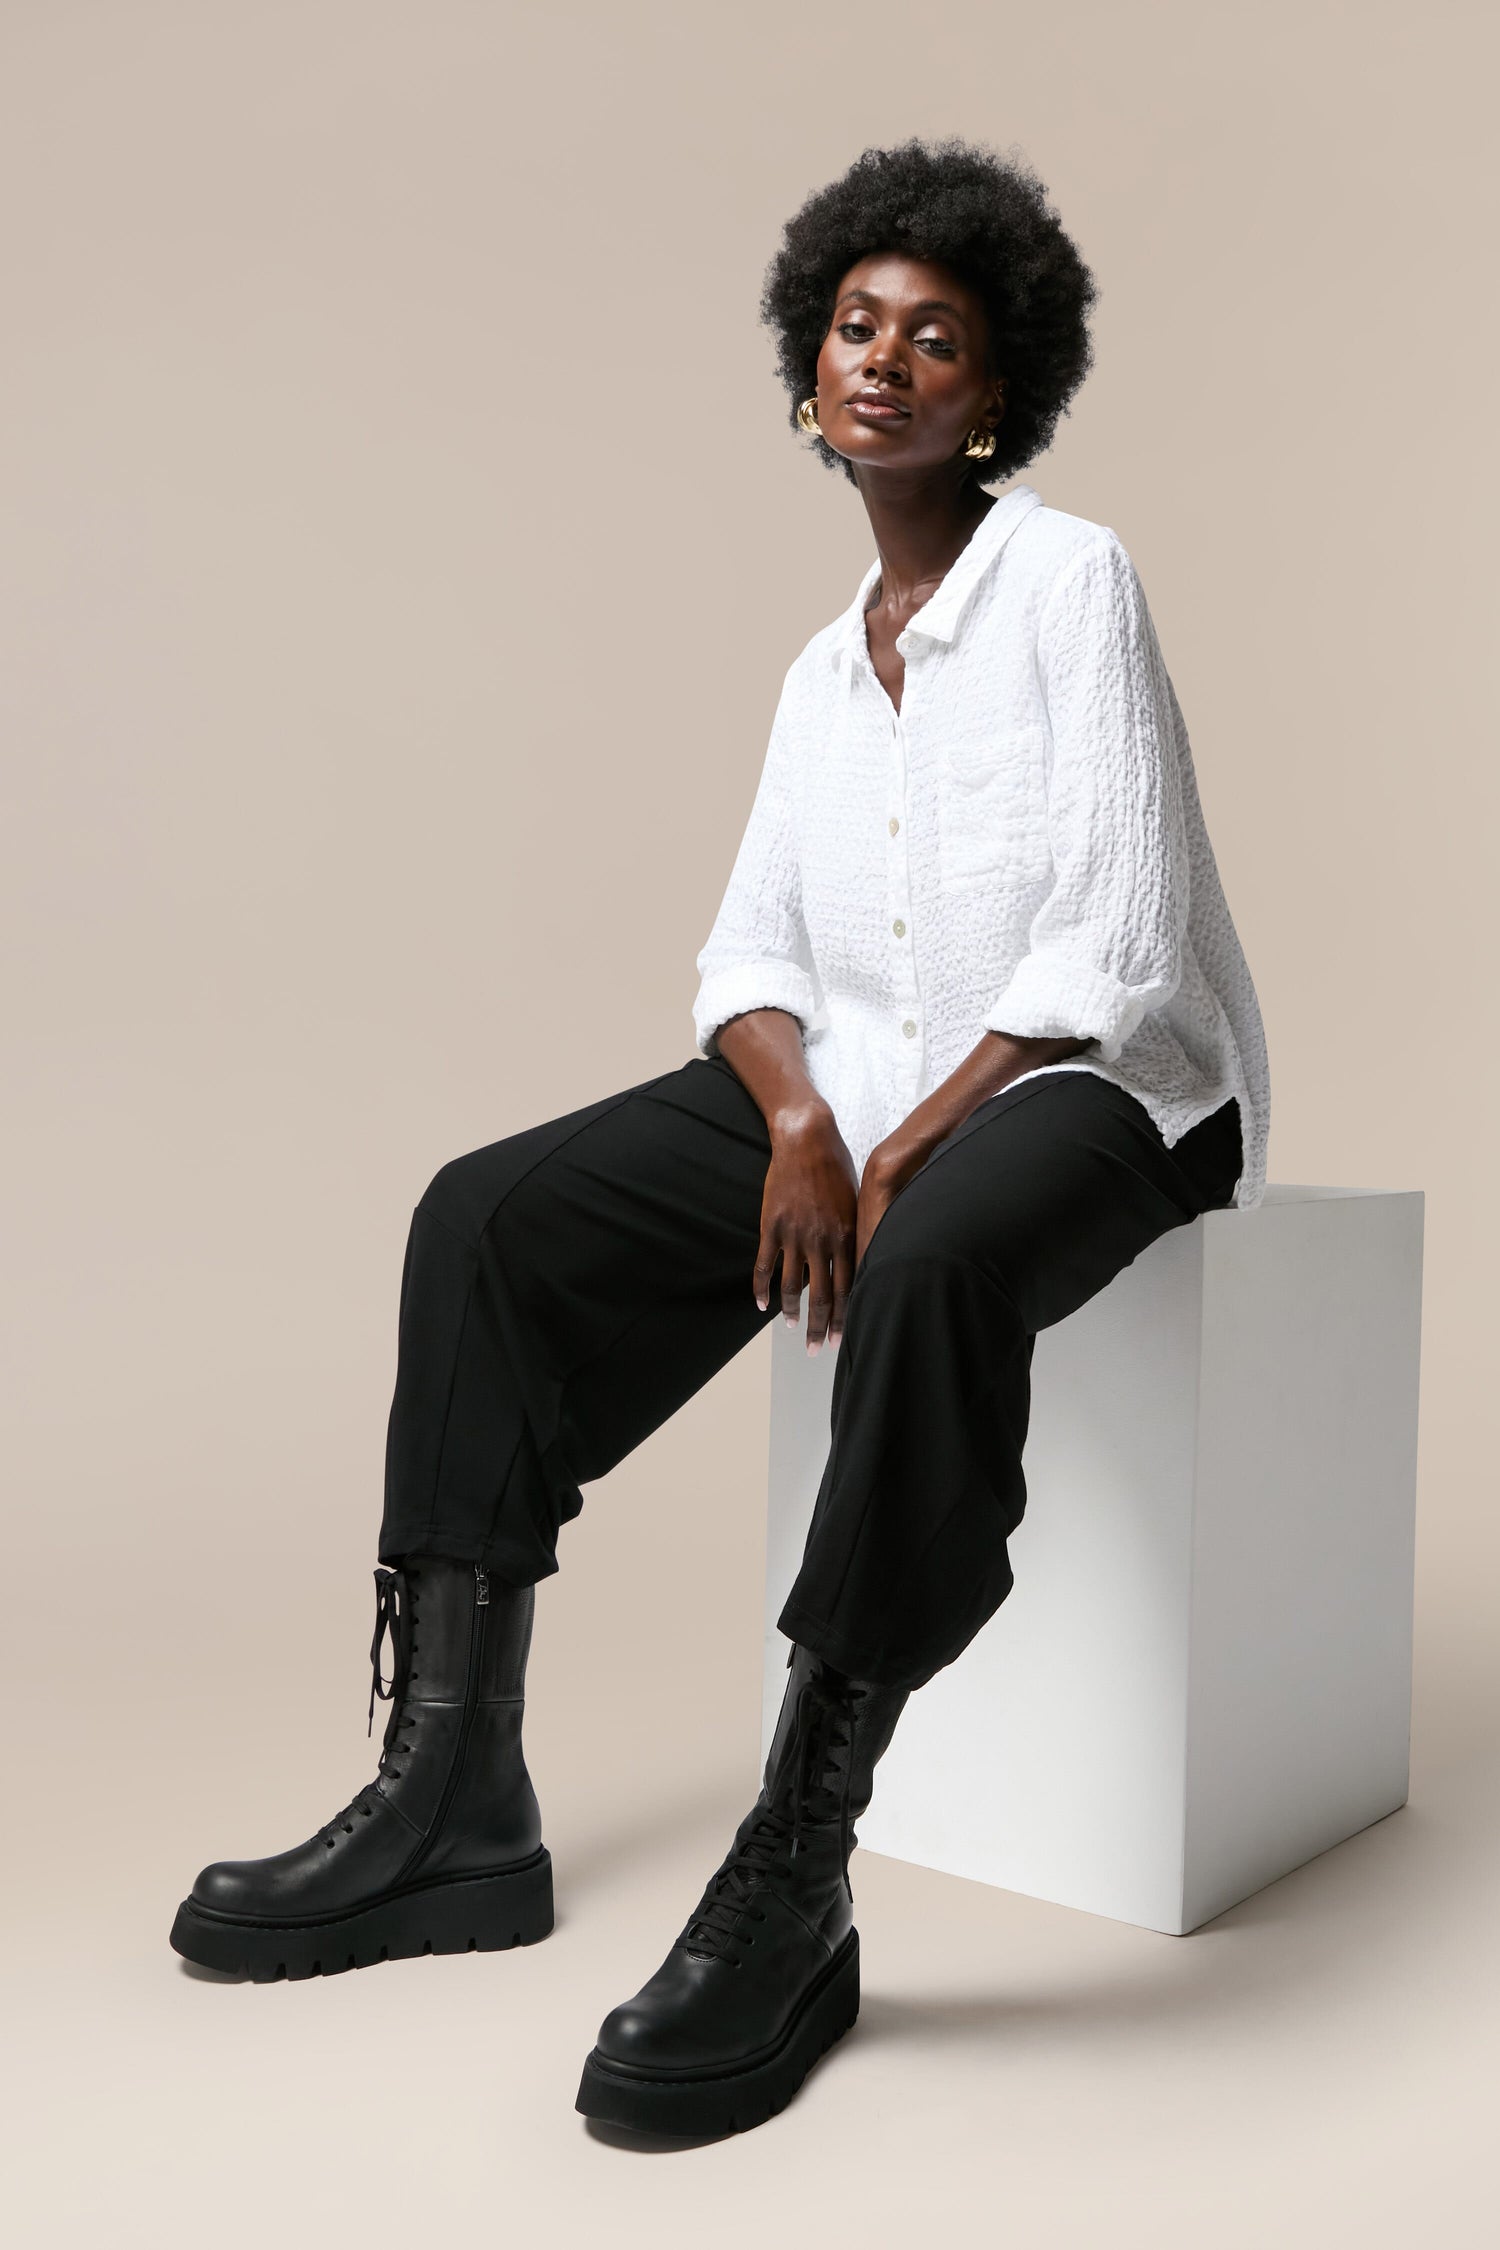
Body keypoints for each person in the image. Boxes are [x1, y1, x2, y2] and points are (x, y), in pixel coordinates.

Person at [169, 136, 1270, 2139]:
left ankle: (799, 1859)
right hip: (856, 1086)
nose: (887, 361)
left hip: (1108, 1089)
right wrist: (795, 1121)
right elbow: (750, 953)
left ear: (998, 394)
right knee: (486, 1218)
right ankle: (453, 1795)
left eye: (936, 339)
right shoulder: (812, 677)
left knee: (933, 1263)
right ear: (809, 373)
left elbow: (1109, 944)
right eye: (856, 327)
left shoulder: (1068, 580)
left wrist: (896, 1149)